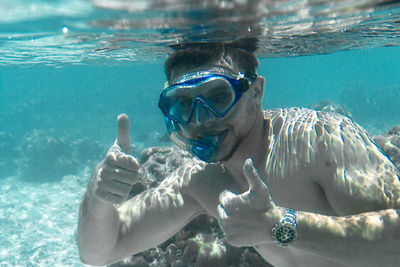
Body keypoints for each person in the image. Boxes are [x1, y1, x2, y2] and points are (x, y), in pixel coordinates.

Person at [78, 40, 400, 267]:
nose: (201, 120)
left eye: (218, 96)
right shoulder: (200, 182)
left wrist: (281, 226)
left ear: (256, 92)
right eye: (183, 104)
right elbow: (101, 250)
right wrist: (99, 195)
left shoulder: (319, 141)